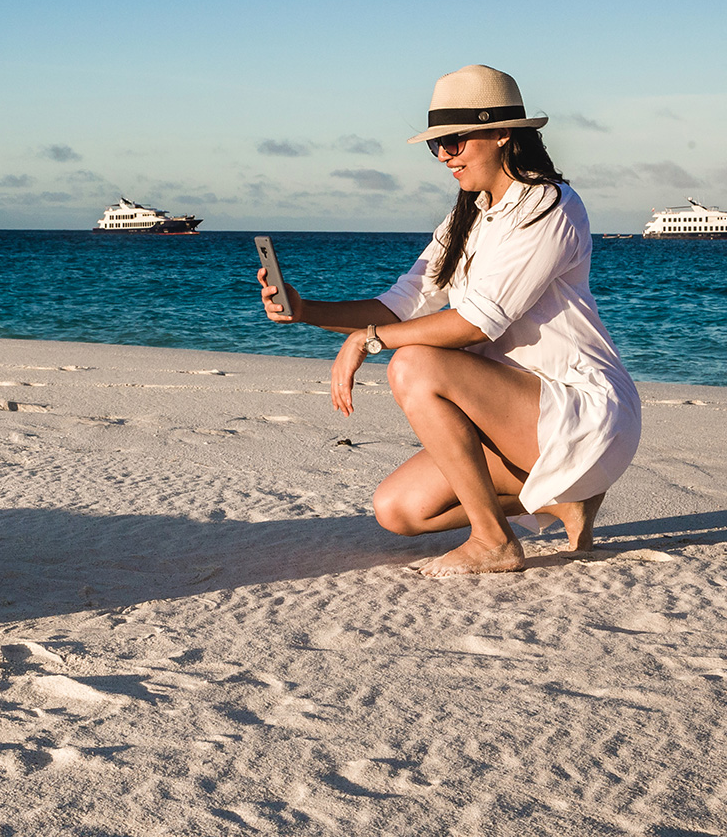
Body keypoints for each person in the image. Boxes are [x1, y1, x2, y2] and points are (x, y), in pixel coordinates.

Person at [257, 64, 640, 576]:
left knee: (413, 364)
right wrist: (306, 311)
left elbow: (477, 324)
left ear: (503, 134)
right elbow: (399, 304)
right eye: (436, 144)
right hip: (513, 412)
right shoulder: (468, 215)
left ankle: (493, 541)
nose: (443, 155)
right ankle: (562, 502)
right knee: (398, 509)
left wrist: (370, 341)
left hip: (583, 411)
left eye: (455, 140)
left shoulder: (549, 205)